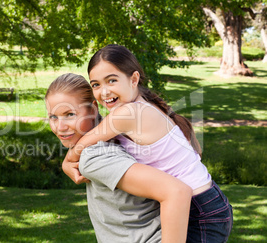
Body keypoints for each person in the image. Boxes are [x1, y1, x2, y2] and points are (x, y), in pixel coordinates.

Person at [65, 44, 233, 243]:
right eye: (96, 84)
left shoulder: (129, 113)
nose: (104, 91)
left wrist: (68, 162)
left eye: (112, 80)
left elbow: (85, 142)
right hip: (207, 202)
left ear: (134, 79)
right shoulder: (145, 106)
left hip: (199, 210)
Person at [45, 73, 193, 243]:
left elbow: (177, 192)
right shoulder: (120, 132)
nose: (60, 127)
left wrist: (71, 158)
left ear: (93, 109)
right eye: (53, 117)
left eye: (70, 114)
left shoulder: (94, 156)